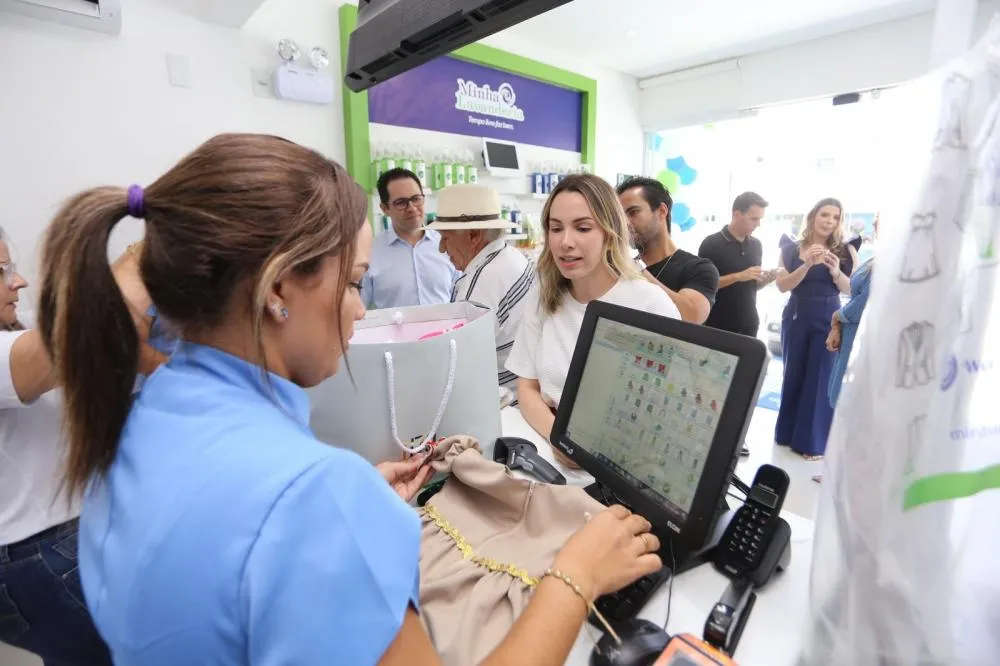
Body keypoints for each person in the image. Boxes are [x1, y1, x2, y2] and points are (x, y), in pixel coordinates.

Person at [36, 133, 663, 666]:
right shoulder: (314, 500)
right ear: (278, 287)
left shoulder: (143, 415)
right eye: (354, 283)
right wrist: (576, 577)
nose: (361, 312)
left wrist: (350, 504)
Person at [0, 229, 162, 665]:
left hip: (59, 540)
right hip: (35, 556)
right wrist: (145, 253)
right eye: (2, 272)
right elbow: (71, 337)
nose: (19, 282)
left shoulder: (16, 328)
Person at [506, 174, 681, 468]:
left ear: (609, 232)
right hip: (554, 462)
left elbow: (668, 410)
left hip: (627, 465)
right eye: (555, 228)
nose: (566, 242)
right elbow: (527, 387)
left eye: (583, 228)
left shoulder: (649, 303)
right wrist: (560, 438)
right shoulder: (544, 297)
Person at [774, 197, 859, 461]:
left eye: (835, 217)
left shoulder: (846, 250)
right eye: (825, 215)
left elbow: (852, 289)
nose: (829, 221)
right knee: (793, 373)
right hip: (797, 314)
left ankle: (812, 443)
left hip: (830, 317)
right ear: (813, 216)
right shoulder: (791, 247)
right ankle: (787, 435)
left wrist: (835, 272)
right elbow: (783, 285)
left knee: (821, 377)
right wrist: (807, 264)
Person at [429, 184, 533, 391]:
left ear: (474, 235)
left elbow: (458, 366)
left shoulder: (479, 285)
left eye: (445, 237)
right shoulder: (511, 256)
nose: (441, 248)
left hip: (505, 400)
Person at [616, 177, 719, 323]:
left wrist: (636, 269)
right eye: (621, 216)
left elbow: (690, 316)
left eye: (633, 212)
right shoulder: (621, 269)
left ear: (662, 211)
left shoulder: (698, 269)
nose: (625, 222)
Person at [362, 168, 459, 309]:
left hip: (448, 331)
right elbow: (358, 310)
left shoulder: (447, 244)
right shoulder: (370, 252)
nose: (412, 208)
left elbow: (461, 300)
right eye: (401, 202)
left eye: (416, 199)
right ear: (385, 208)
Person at [698, 191, 776, 336]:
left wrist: (766, 281)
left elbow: (750, 287)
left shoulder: (756, 245)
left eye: (760, 219)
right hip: (718, 325)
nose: (758, 224)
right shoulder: (711, 244)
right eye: (754, 219)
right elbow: (702, 287)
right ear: (737, 214)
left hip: (750, 324)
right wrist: (738, 276)